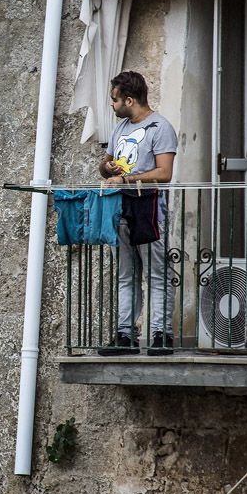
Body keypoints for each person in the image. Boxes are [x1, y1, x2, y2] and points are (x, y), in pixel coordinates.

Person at [97, 71, 177, 356]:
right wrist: (108, 169)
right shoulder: (120, 128)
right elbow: (105, 165)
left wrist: (126, 179)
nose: (112, 104)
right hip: (121, 208)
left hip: (150, 207)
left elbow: (164, 173)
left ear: (129, 100)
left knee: (157, 273)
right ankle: (125, 335)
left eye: (114, 99)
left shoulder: (160, 127)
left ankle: (161, 335)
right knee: (126, 274)